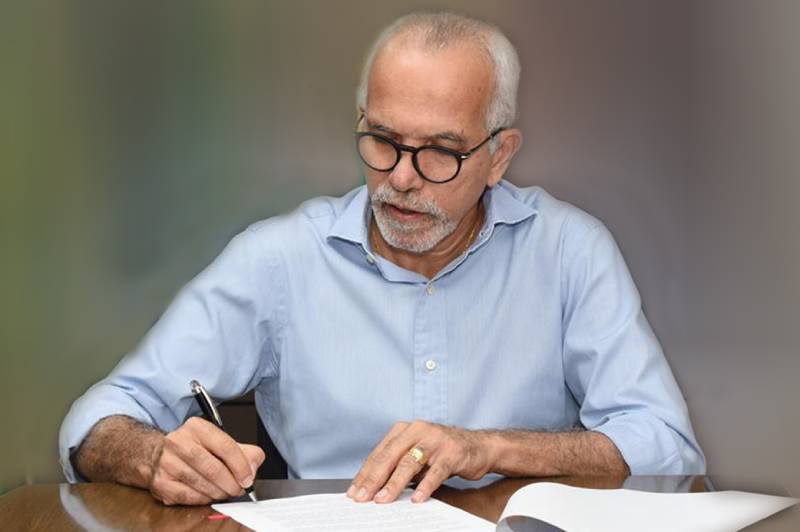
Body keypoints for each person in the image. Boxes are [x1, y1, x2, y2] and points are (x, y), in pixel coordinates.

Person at [59, 12, 705, 507]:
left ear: (499, 157)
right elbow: (96, 420)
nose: (400, 179)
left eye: (440, 152)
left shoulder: (568, 250)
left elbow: (668, 449)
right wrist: (154, 458)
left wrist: (490, 448)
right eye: (382, 140)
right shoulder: (280, 259)